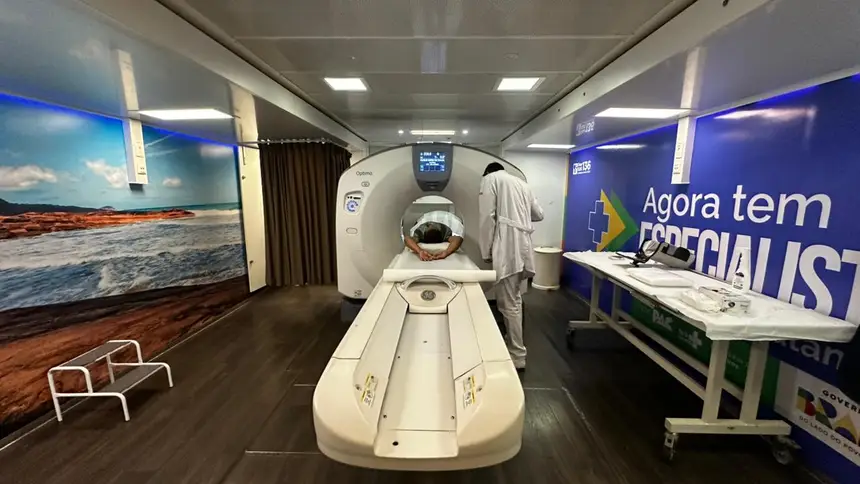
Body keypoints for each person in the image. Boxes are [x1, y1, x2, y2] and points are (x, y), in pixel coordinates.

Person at [479, 162, 544, 371]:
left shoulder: (490, 180)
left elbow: (487, 218)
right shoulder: (522, 184)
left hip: (508, 246)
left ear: (487, 172)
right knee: (514, 299)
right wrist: (517, 213)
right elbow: (539, 214)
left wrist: (486, 251)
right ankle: (513, 343)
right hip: (523, 246)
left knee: (509, 304)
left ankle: (517, 354)